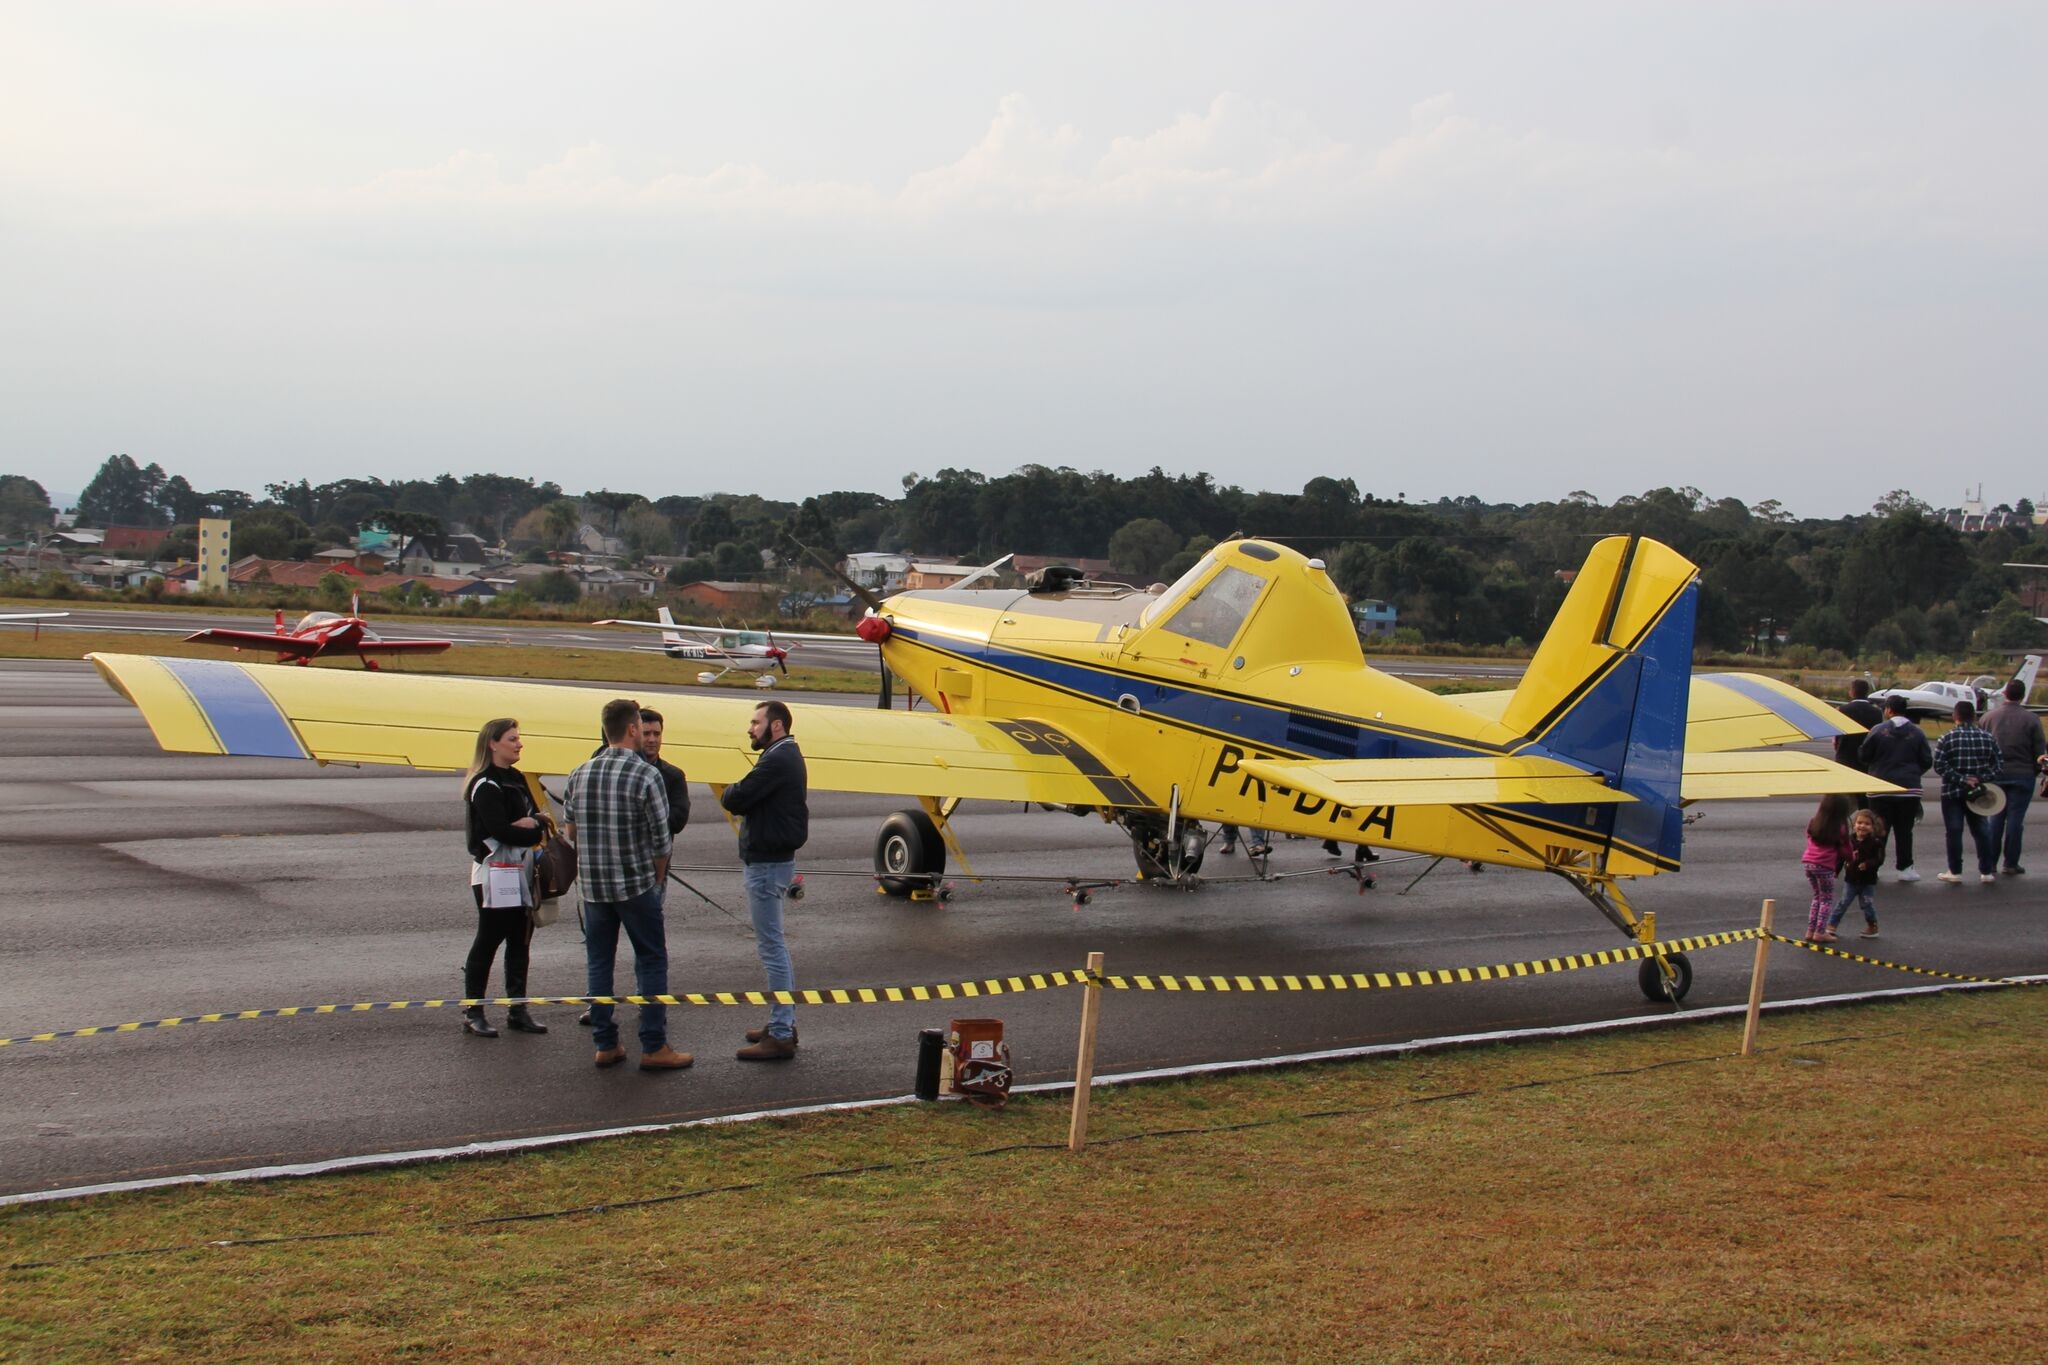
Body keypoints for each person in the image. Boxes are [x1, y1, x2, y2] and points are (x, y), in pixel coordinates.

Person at [565, 698, 689, 1070]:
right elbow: (661, 839)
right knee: (651, 958)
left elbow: (570, 830)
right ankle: (653, 1045)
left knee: (599, 962)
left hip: (593, 886)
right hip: (635, 884)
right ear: (632, 729)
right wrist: (658, 875)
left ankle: (606, 1043)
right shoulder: (646, 776)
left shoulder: (579, 773)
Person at [719, 699, 808, 1061]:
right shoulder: (785, 755)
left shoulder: (777, 758)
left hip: (768, 864)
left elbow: (735, 797)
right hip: (772, 861)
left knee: (772, 947)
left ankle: (782, 1031)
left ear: (775, 726)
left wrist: (733, 792)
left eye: (756, 722)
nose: (750, 728)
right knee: (773, 946)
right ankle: (780, 1020)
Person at [460, 718, 548, 1038]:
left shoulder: (517, 779)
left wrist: (532, 824)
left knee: (520, 941)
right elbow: (499, 830)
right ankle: (473, 1010)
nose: (519, 744)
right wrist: (527, 828)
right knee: (488, 939)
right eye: (512, 739)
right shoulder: (484, 784)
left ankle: (518, 1008)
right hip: (493, 873)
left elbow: (539, 819)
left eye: (518, 738)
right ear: (493, 744)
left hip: (520, 871)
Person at [1861, 694, 1933, 881]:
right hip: (1908, 789)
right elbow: (1926, 760)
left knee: (1878, 830)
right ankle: (1905, 867)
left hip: (1880, 786)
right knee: (1904, 831)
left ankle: (1872, 867)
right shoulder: (1917, 733)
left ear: (1889, 710)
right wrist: (1913, 773)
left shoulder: (1878, 730)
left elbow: (1864, 755)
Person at [1931, 699, 2001, 885]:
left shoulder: (1946, 738)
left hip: (1952, 791)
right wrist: (1981, 778)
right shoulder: (1988, 738)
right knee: (1981, 830)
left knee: (1954, 831)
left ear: (1955, 716)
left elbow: (1938, 765)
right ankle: (1986, 871)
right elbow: (1999, 764)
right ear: (1974, 716)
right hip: (1979, 792)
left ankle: (1955, 870)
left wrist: (1961, 779)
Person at [1984, 678, 2045, 876]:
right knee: (2015, 821)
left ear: (2004, 694)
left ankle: (1990, 863)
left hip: (1996, 775)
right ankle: (2010, 863)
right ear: (2022, 695)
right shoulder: (2032, 719)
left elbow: (1983, 748)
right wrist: (2034, 772)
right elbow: (2039, 752)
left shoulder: (1988, 718)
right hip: (2022, 775)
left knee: (1995, 819)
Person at [1801, 793, 1854, 942]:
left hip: (1809, 863)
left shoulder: (1814, 822)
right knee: (1826, 899)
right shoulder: (1840, 828)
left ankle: (1810, 930)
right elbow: (1846, 850)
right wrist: (1852, 858)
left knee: (1817, 897)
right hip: (1825, 866)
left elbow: (1809, 837)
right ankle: (1820, 931)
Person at [1828, 808, 1887, 939]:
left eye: (1867, 824)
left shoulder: (1876, 843)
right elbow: (1842, 857)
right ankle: (1832, 924)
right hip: (1851, 878)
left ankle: (1872, 926)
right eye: (1859, 823)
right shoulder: (1849, 841)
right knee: (1844, 902)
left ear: (1873, 827)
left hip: (1868, 880)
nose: (1862, 826)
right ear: (1854, 825)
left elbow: (1879, 859)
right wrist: (1835, 871)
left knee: (1867, 904)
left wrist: (1868, 864)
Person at [1834, 678, 1883, 810]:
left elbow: (1836, 736)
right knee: (1864, 799)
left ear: (1852, 692)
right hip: (1866, 760)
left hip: (1845, 758)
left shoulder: (1842, 710)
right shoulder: (1877, 712)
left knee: (1843, 798)